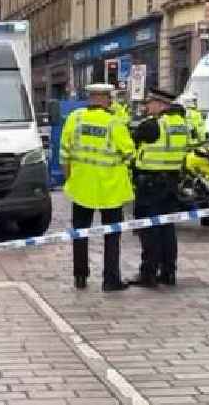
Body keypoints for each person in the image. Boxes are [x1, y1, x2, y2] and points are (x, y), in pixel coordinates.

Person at [59, 83, 135, 292]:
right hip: (110, 190)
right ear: (106, 98)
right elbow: (130, 153)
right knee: (112, 235)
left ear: (91, 98)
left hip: (81, 187)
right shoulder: (114, 123)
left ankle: (80, 276)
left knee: (80, 233)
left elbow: (64, 154)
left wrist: (70, 180)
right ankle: (111, 280)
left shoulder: (75, 119)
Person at [129, 87, 189, 288]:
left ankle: (148, 273)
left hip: (151, 185)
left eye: (150, 103)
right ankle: (169, 272)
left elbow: (132, 144)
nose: (147, 107)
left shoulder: (153, 126)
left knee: (149, 230)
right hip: (171, 183)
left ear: (161, 104)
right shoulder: (181, 124)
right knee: (167, 229)